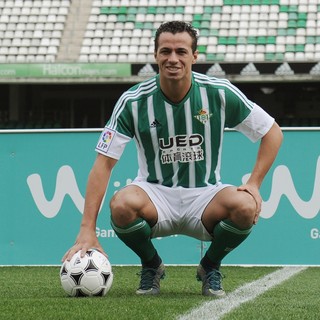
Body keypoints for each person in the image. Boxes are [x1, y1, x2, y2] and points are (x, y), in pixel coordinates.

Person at [63, 21, 283, 297]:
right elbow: (103, 164)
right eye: (165, 51)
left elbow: (272, 132)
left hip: (206, 195)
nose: (173, 58)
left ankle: (210, 266)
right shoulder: (133, 101)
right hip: (155, 194)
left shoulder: (218, 92)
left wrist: (254, 183)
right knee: (121, 205)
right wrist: (87, 229)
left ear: (194, 56)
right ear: (156, 56)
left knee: (245, 206)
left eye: (181, 51)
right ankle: (151, 265)